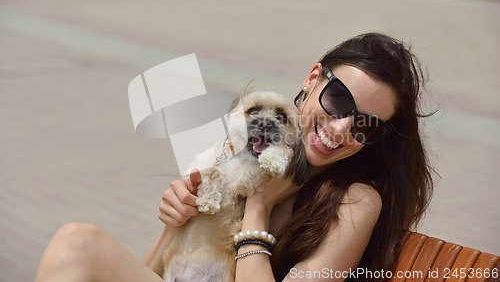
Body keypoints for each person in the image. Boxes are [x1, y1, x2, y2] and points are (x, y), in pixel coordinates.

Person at [35, 32, 435, 282]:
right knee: (78, 241)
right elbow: (156, 269)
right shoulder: (245, 147)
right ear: (313, 79)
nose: (342, 128)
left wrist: (258, 206)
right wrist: (179, 225)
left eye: (367, 125)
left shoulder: (355, 200)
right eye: (338, 100)